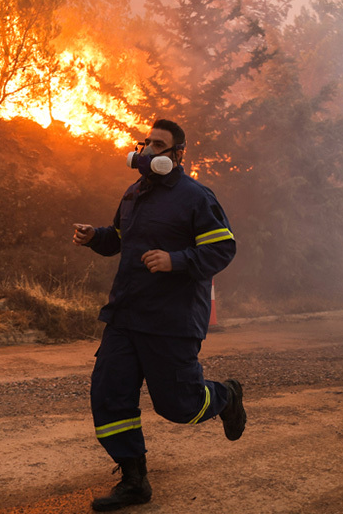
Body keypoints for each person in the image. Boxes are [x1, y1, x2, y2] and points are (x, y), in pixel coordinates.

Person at [72, 119, 245, 512]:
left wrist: (176, 260)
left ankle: (226, 396)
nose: (149, 151)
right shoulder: (134, 193)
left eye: (159, 145)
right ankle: (134, 480)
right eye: (146, 143)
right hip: (126, 315)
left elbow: (223, 250)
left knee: (180, 406)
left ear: (178, 154)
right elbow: (119, 239)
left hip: (172, 320)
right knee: (109, 396)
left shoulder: (196, 197)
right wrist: (94, 237)